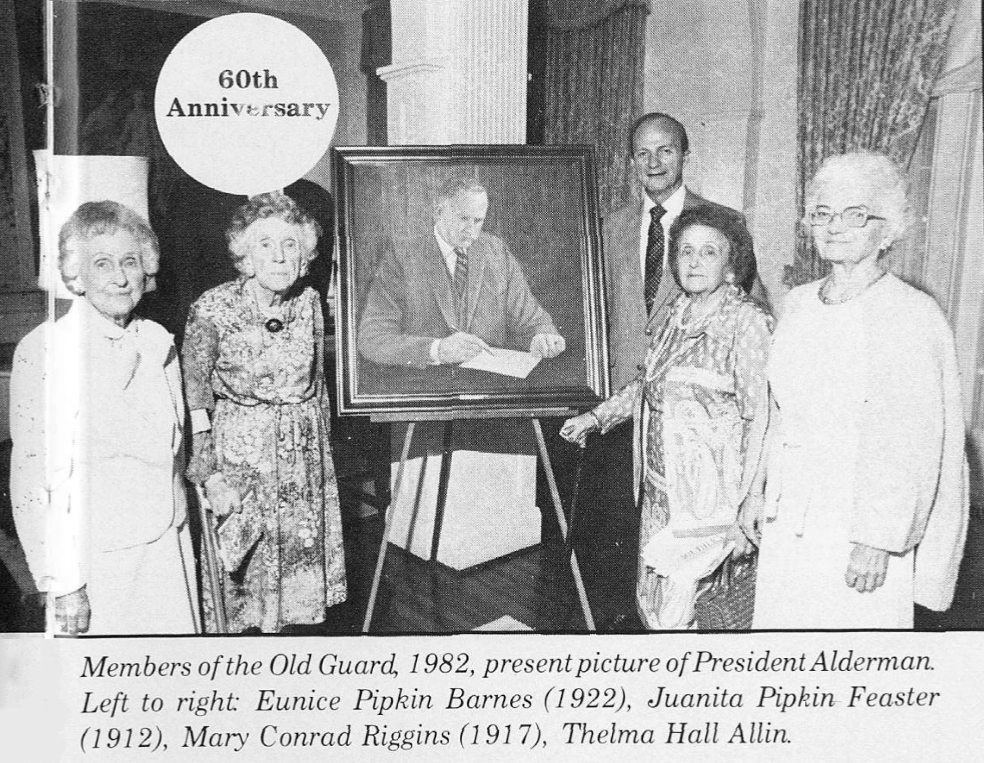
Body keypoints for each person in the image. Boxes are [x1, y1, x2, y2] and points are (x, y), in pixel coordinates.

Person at [745, 152, 968, 629]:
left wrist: (878, 539)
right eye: (822, 214)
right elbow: (779, 412)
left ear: (888, 231)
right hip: (790, 513)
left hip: (858, 523)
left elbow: (913, 440)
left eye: (856, 215)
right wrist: (756, 491)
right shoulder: (799, 302)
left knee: (849, 656)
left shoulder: (910, 313)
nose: (834, 227)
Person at [583, 112, 764, 629]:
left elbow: (749, 323)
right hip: (628, 405)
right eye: (643, 152)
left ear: (684, 155)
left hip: (704, 439)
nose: (654, 162)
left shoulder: (722, 223)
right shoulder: (610, 224)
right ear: (631, 161)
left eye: (665, 150)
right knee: (632, 539)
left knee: (700, 578)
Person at [9, 200, 199, 635]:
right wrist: (63, 583)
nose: (119, 277)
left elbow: (173, 451)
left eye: (130, 261)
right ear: (76, 273)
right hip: (97, 563)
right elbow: (33, 480)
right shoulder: (44, 351)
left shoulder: (158, 343)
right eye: (102, 263)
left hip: (167, 551)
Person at [182, 191, 347, 633]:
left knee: (298, 572)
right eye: (265, 244)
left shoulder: (310, 301)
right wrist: (208, 472)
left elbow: (319, 382)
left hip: (303, 457)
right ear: (245, 255)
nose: (279, 256)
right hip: (244, 457)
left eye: (290, 244)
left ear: (305, 254)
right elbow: (193, 395)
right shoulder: (212, 308)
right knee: (244, 571)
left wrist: (323, 451)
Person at [357, 176, 566, 367]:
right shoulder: (401, 257)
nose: (472, 232)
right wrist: (437, 349)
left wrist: (543, 336)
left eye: (478, 221)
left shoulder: (496, 251)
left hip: (491, 384)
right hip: (426, 384)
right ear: (438, 212)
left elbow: (532, 319)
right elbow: (372, 339)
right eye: (463, 219)